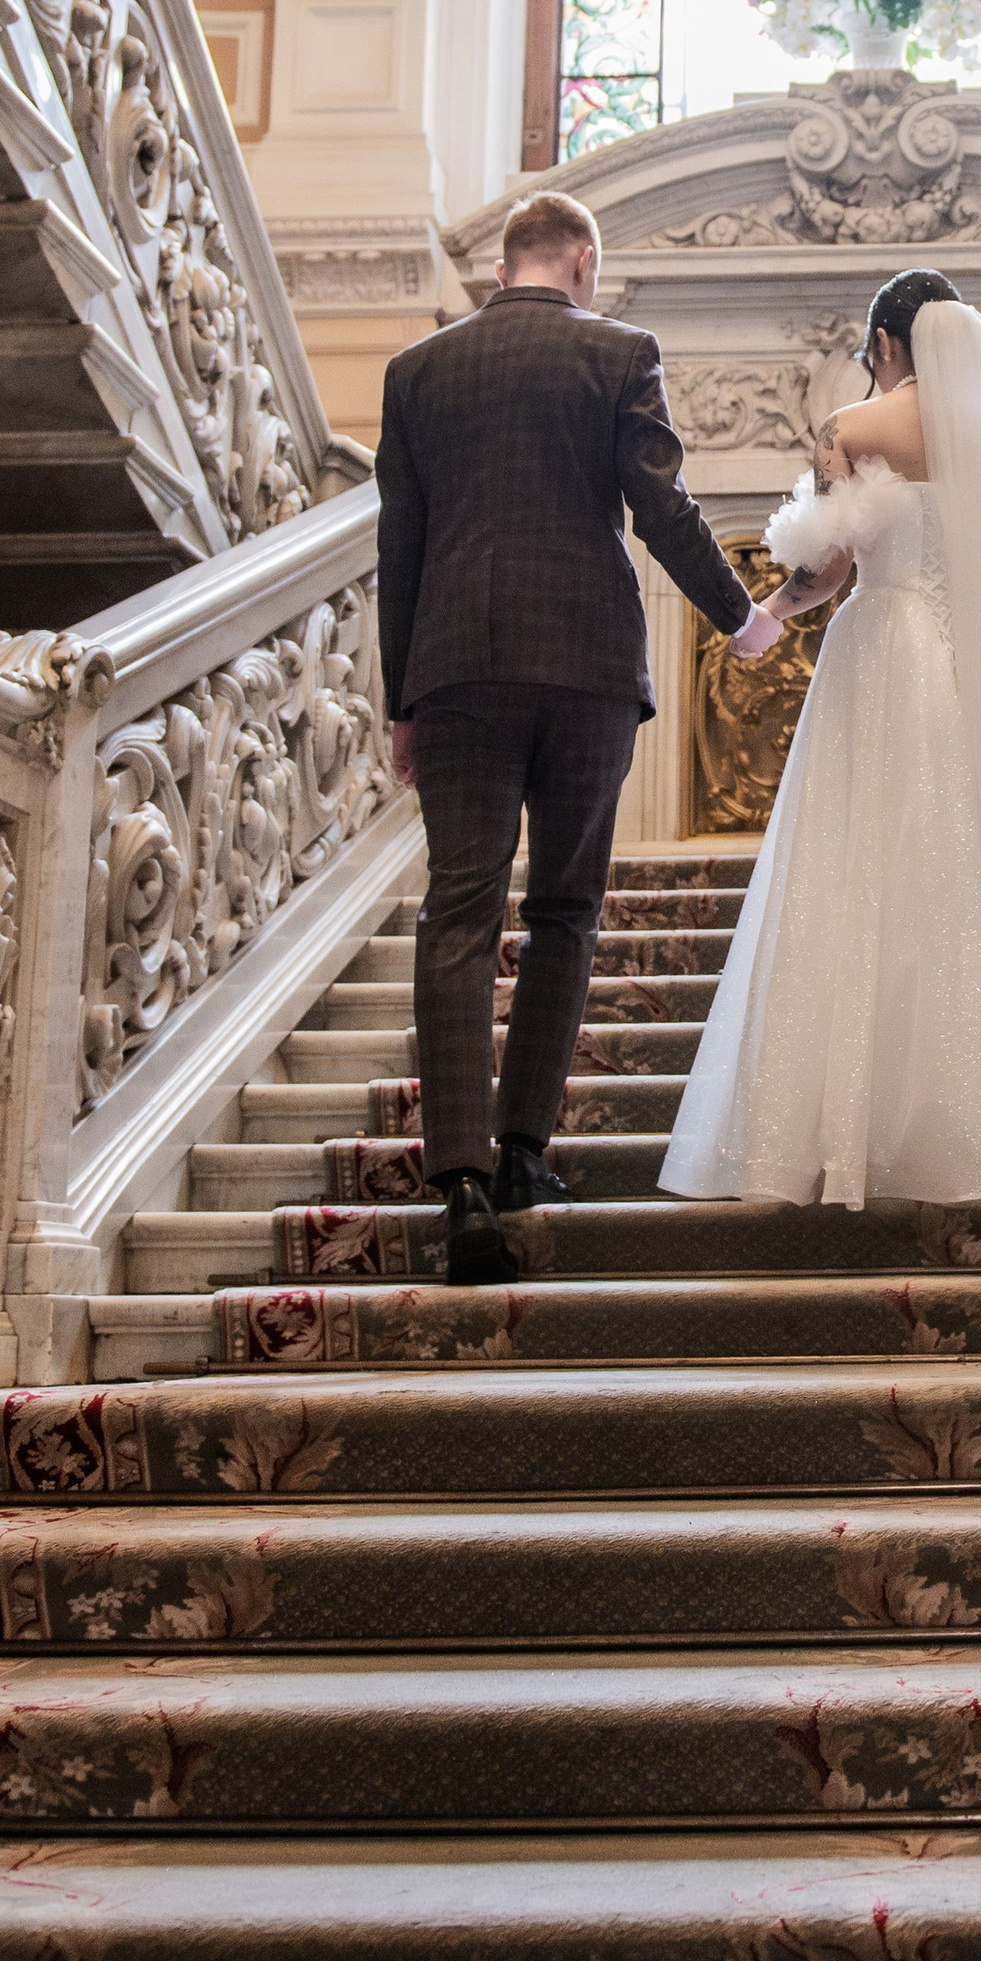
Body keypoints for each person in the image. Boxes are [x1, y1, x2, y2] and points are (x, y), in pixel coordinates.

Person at [660, 268, 981, 1210]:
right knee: (977, 870)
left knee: (863, 866)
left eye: (868, 354)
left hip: (887, 656)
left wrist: (763, 617)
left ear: (884, 343)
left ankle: (850, 1126)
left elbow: (827, 566)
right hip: (979, 674)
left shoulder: (851, 429)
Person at [375, 187, 783, 1282]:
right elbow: (661, 508)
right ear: (584, 265)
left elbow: (399, 544)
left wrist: (401, 700)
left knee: (459, 910)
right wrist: (739, 618)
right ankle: (523, 1155)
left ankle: (459, 1182)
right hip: (587, 667)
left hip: (457, 667)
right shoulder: (618, 352)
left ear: (502, 266)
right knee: (565, 910)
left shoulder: (416, 371)